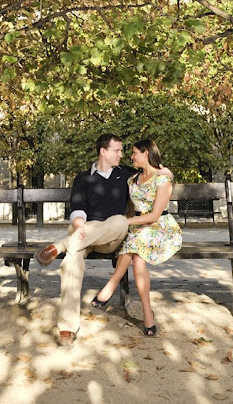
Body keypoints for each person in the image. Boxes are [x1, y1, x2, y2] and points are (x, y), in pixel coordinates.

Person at [35, 133, 171, 348]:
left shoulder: (126, 174)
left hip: (111, 236)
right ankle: (67, 328)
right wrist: (79, 226)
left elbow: (152, 172)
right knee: (70, 261)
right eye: (117, 150)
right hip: (83, 233)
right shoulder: (83, 178)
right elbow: (78, 209)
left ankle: (58, 245)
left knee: (120, 221)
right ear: (103, 151)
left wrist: (165, 171)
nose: (122, 154)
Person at [91, 138, 182, 336]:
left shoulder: (163, 180)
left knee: (136, 242)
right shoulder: (132, 180)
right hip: (139, 231)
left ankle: (111, 284)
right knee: (138, 258)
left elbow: (155, 216)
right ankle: (148, 315)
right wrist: (123, 223)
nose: (130, 157)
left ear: (146, 154)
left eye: (134, 153)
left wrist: (125, 223)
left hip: (161, 230)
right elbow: (132, 212)